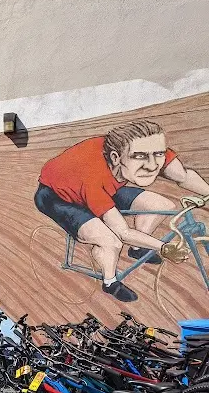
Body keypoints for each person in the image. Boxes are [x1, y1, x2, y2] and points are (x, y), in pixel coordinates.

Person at [35, 120, 209, 302]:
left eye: (158, 154)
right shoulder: (93, 178)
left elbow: (182, 176)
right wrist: (163, 247)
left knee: (163, 205)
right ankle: (110, 282)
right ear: (116, 158)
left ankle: (138, 248)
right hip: (58, 198)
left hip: (103, 184)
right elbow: (123, 232)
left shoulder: (147, 143)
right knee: (112, 242)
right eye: (140, 157)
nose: (152, 165)